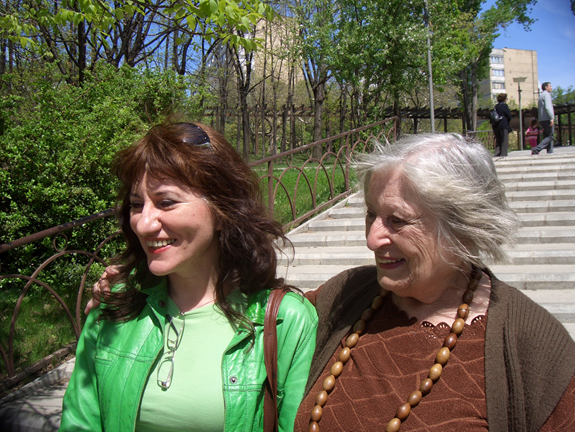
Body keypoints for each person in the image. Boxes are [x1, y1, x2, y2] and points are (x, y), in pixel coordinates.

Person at [293, 134, 575, 432]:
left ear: (464, 227)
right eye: (371, 214)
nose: (372, 240)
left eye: (397, 220)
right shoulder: (345, 294)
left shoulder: (535, 347)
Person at [59, 121, 318, 432]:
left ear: (223, 211)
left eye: (166, 202)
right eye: (137, 205)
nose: (143, 223)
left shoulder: (286, 321)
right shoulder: (113, 304)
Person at [532, 82, 555, 155]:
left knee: (547, 136)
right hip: (547, 118)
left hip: (542, 119)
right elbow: (548, 107)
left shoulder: (541, 96)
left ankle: (550, 152)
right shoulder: (546, 95)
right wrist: (551, 117)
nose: (551, 87)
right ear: (546, 87)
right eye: (550, 86)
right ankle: (537, 149)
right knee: (550, 136)